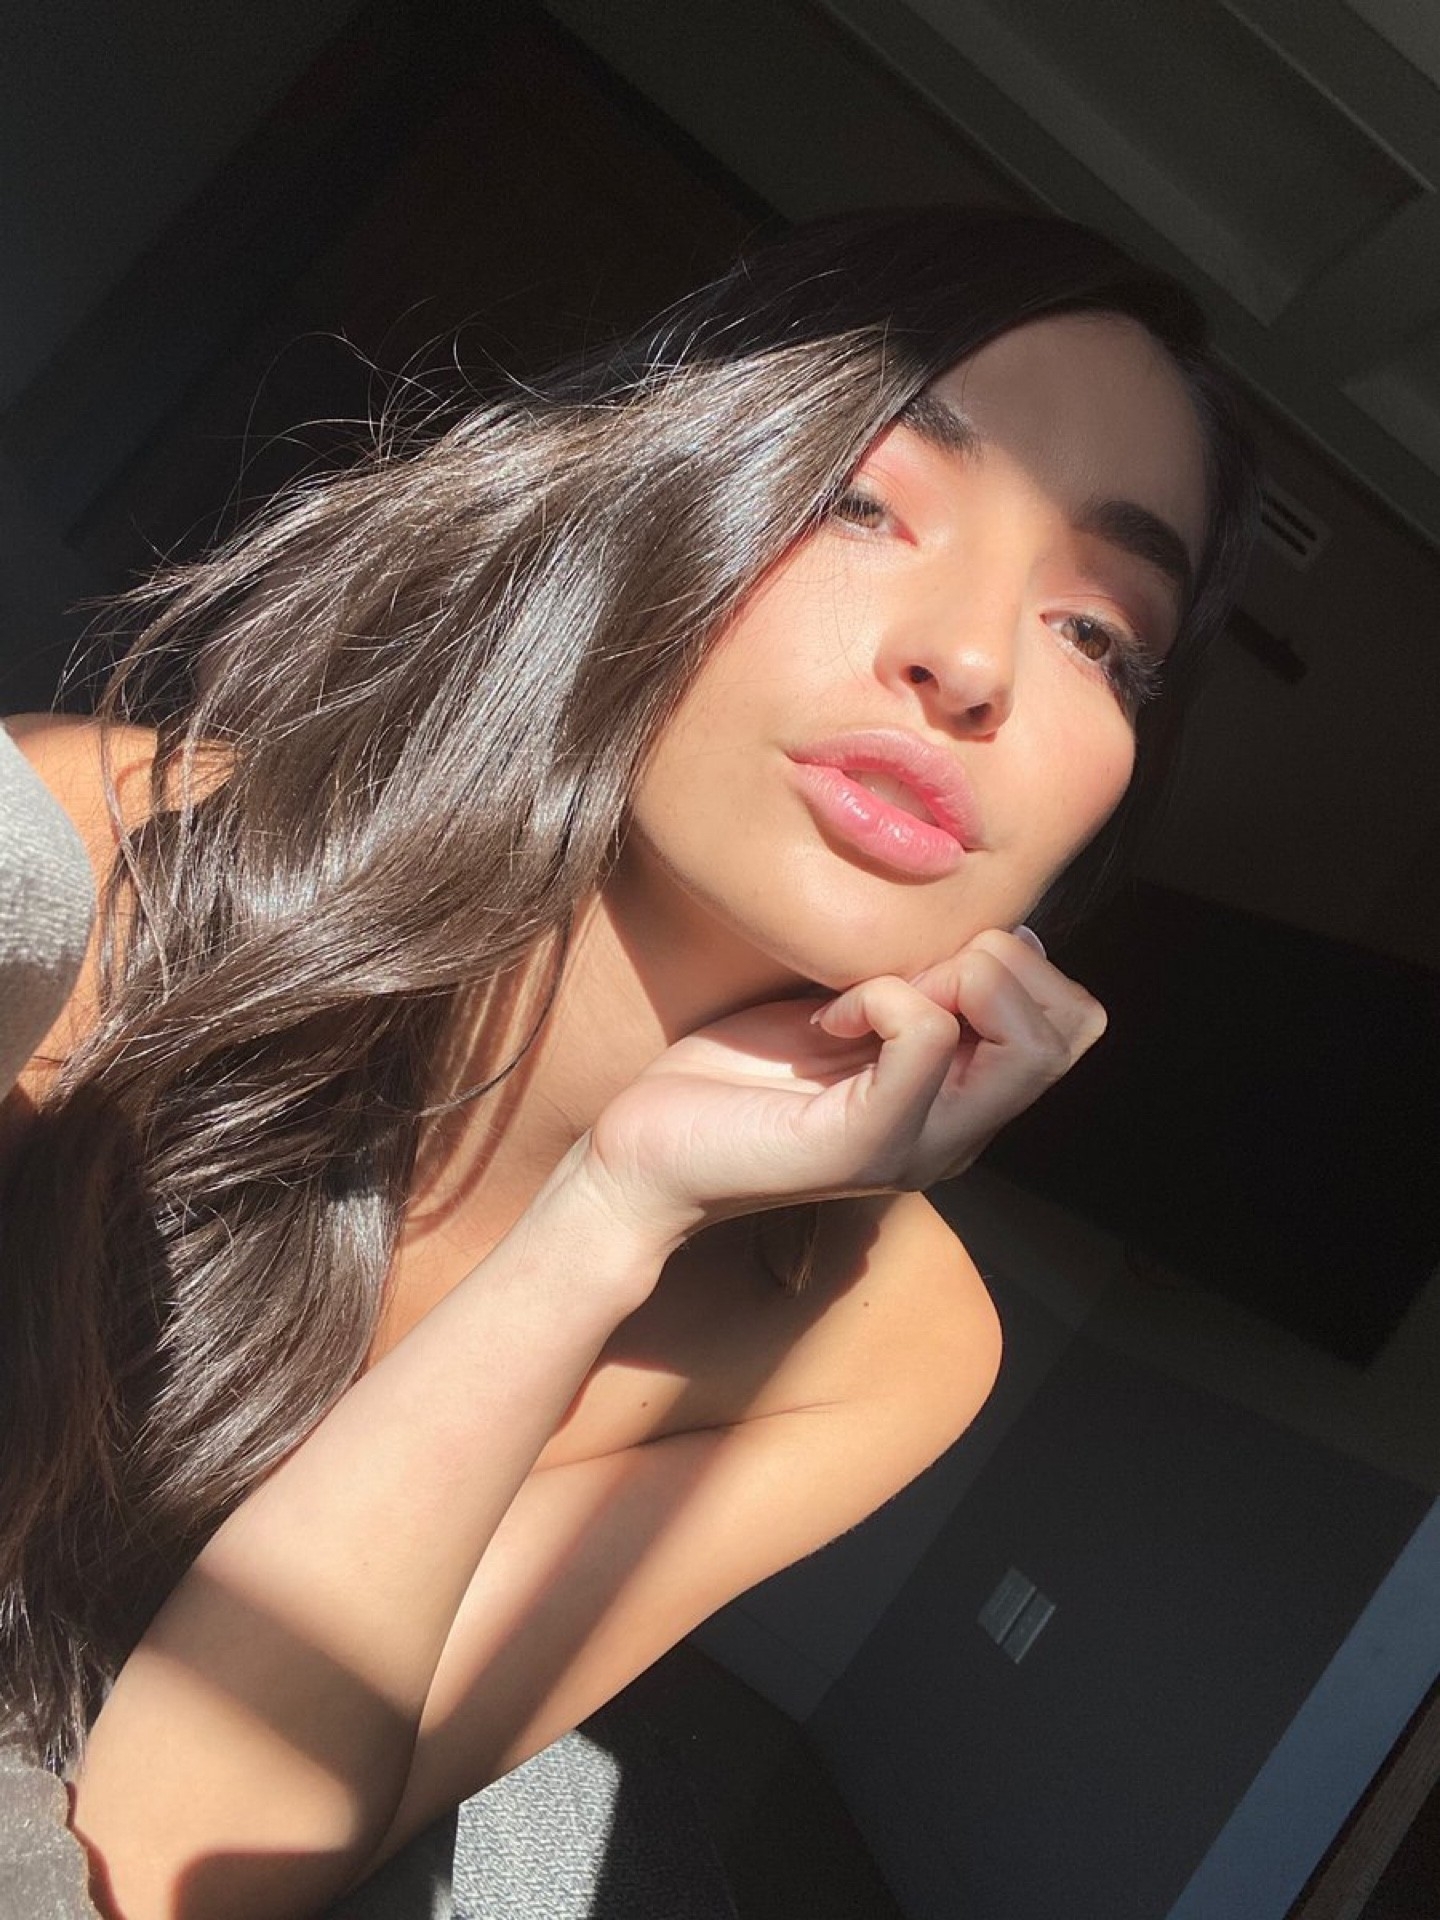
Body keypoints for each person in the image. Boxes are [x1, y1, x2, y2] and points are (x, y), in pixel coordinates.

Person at [0, 205, 1256, 1919]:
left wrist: (612, 1216)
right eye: (864, 500)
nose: (971, 665)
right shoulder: (89, 862)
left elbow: (171, 1871)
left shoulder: (890, 1339)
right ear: (657, 509)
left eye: (1100, 632)